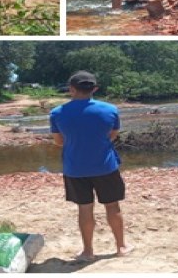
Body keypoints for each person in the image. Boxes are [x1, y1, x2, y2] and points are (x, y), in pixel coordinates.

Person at [50, 71, 133, 261]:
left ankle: (88, 251)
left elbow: (59, 142)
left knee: (84, 209)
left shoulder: (57, 113)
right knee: (113, 206)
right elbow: (112, 135)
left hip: (75, 169)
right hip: (106, 167)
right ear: (94, 89)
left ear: (71, 89)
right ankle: (121, 247)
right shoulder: (111, 109)